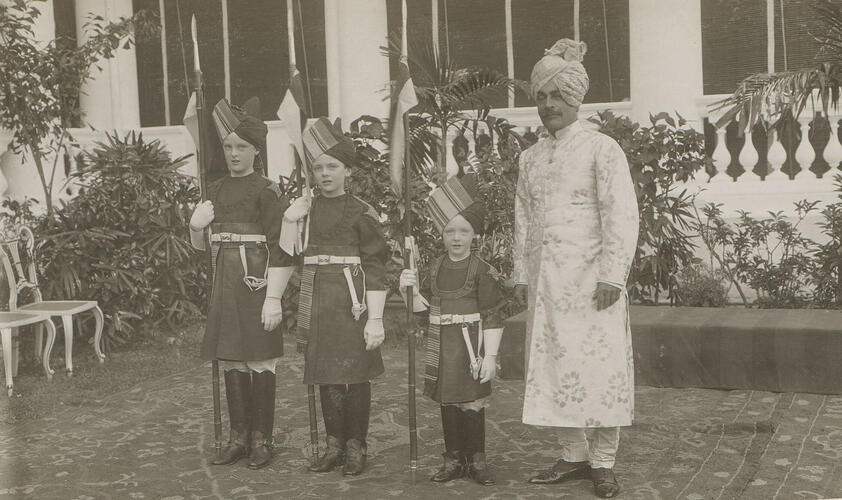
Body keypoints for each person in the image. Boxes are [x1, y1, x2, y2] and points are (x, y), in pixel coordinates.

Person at [513, 39, 640, 498]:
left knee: (600, 369)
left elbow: (621, 213)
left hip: (592, 281)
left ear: (575, 98)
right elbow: (524, 216)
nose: (549, 105)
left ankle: (603, 462)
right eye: (542, 97)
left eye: (558, 96)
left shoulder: (601, 149)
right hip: (547, 283)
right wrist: (523, 275)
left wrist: (612, 275)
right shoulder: (529, 158)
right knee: (553, 366)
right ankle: (573, 455)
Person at [188, 97, 296, 470]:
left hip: (256, 284)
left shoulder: (267, 190)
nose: (234, 153)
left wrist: (274, 298)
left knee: (260, 359)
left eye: (242, 147)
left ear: (255, 150)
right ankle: (239, 437)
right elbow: (203, 249)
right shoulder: (214, 190)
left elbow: (283, 249)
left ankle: (262, 440)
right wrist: (195, 227)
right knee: (232, 358)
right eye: (228, 146)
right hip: (225, 284)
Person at [286, 117, 388, 476]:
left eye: (332, 166)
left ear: (347, 170)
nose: (325, 173)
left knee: (355, 374)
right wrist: (289, 219)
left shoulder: (362, 211)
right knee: (327, 373)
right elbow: (288, 253)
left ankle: (357, 445)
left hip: (352, 301)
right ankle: (334, 445)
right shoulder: (306, 210)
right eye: (318, 167)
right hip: (318, 299)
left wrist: (375, 318)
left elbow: (376, 265)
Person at [399, 174, 505, 486]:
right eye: (450, 231)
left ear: (475, 235)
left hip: (472, 347)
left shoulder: (483, 270)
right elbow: (424, 308)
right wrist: (409, 290)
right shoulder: (434, 267)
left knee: (471, 402)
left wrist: (491, 357)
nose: (456, 237)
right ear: (442, 234)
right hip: (443, 346)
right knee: (448, 400)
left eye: (464, 231)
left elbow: (493, 315)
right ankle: (454, 458)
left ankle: (477, 459)